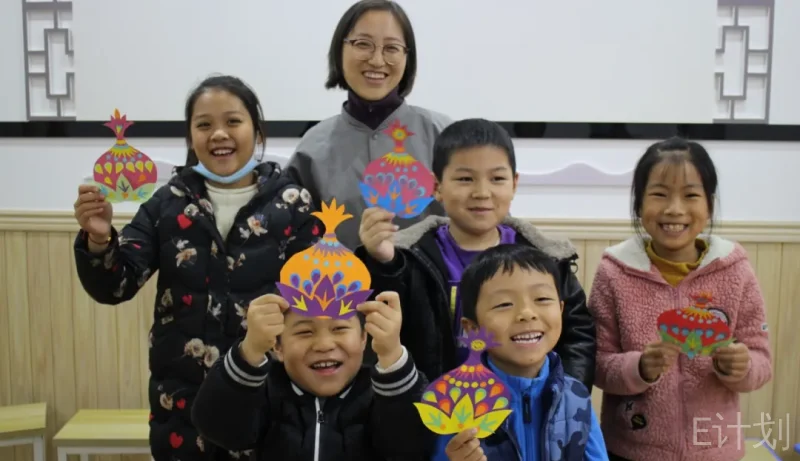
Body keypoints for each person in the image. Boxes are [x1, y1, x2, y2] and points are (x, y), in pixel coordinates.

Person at [72, 75, 320, 461]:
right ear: (191, 136)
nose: (218, 134)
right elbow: (115, 285)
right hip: (182, 410)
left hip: (267, 401)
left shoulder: (293, 203)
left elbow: (317, 302)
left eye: (233, 121)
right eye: (204, 124)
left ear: (257, 131)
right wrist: (100, 240)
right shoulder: (167, 202)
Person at [356, 118, 596, 390]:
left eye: (497, 179)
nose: (482, 192)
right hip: (434, 405)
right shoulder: (408, 258)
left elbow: (577, 336)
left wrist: (566, 395)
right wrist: (384, 265)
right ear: (437, 187)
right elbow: (379, 331)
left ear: (514, 184)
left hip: (526, 406)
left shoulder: (545, 257)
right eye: (465, 179)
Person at [588, 137, 773, 461]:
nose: (675, 208)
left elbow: (761, 360)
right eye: (659, 194)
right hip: (632, 449)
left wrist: (742, 366)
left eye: (690, 195)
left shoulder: (734, 269)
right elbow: (596, 363)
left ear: (709, 205)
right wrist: (639, 367)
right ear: (639, 204)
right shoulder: (614, 272)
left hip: (715, 449)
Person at [286, 0, 452, 250]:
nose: (376, 60)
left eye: (392, 48)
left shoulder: (443, 135)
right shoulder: (312, 150)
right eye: (363, 44)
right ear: (339, 50)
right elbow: (294, 243)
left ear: (407, 57)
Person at [191, 291, 434, 461]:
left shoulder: (381, 394)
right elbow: (218, 428)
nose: (324, 344)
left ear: (363, 338)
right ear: (278, 346)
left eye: (339, 328)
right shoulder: (266, 390)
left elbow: (411, 446)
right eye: (305, 332)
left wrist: (392, 356)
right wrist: (250, 351)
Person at [432, 244, 608, 461]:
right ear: (473, 329)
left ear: (561, 310)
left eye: (542, 299)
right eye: (504, 304)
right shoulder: (457, 401)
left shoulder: (575, 395)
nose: (527, 313)